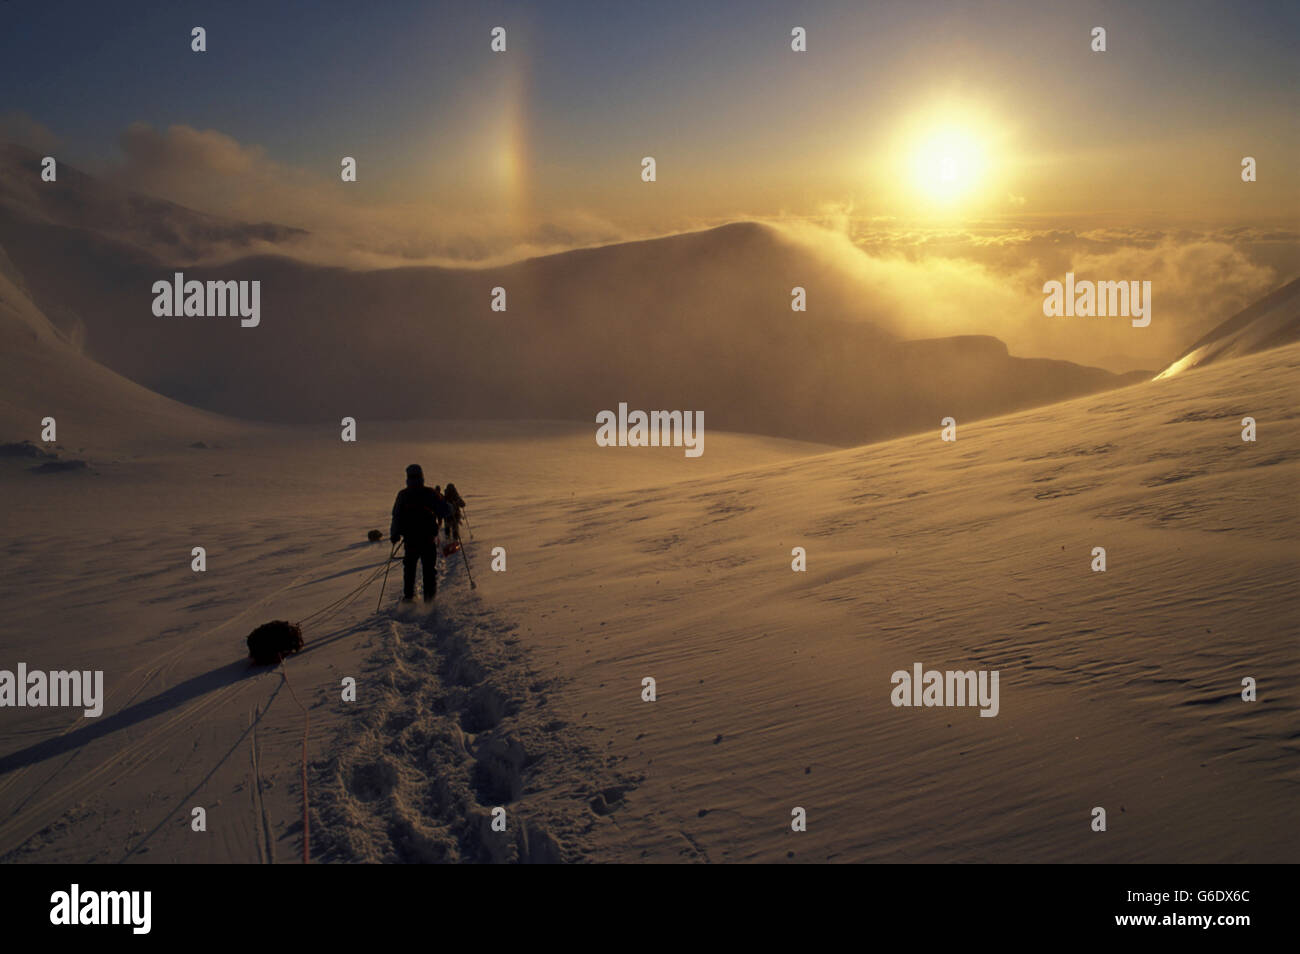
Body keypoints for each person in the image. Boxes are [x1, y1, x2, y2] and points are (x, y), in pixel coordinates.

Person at [389, 464, 451, 603]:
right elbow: (445, 511)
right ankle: (429, 600)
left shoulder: (403, 495)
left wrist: (395, 534)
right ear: (422, 476)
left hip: (410, 540)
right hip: (428, 539)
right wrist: (449, 506)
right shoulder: (430, 493)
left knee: (409, 569)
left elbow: (396, 516)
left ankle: (409, 598)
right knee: (429, 570)